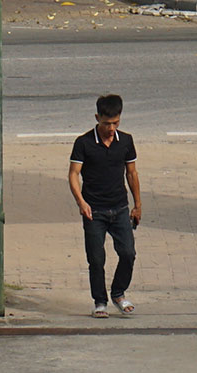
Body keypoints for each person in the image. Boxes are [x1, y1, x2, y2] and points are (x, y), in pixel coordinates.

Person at [68, 95, 141, 318]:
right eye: (107, 123)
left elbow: (131, 173)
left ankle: (118, 293)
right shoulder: (84, 143)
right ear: (97, 118)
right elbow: (73, 174)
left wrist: (137, 205)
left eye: (115, 123)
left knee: (128, 253)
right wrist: (81, 202)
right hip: (94, 211)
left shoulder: (126, 141)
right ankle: (100, 302)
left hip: (120, 208)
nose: (111, 128)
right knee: (96, 258)